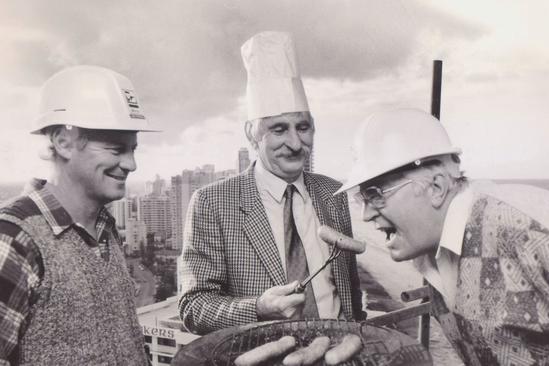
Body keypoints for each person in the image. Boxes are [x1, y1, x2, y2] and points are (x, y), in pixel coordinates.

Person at [336, 108, 549, 365]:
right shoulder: (430, 252)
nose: (366, 214)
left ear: (435, 187)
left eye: (376, 195)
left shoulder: (526, 227)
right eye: (361, 199)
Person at [178, 31, 365, 334]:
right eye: (279, 129)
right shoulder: (212, 202)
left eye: (303, 127)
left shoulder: (332, 193)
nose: (295, 143)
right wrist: (258, 309)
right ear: (251, 134)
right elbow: (194, 306)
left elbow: (350, 290)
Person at [0, 65, 157, 365]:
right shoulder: (15, 240)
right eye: (116, 149)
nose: (131, 164)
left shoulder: (104, 230)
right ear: (63, 142)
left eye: (133, 149)